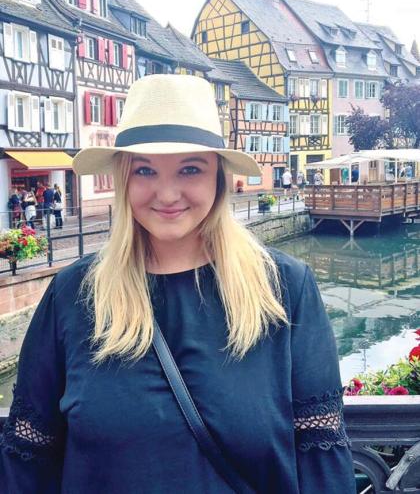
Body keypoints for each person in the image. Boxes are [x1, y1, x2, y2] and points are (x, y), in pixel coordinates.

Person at [0, 75, 356, 494]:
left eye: (190, 169)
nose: (167, 194)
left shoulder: (283, 289)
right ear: (123, 179)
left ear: (218, 177)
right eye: (144, 170)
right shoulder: (73, 294)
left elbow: (321, 459)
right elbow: (28, 457)